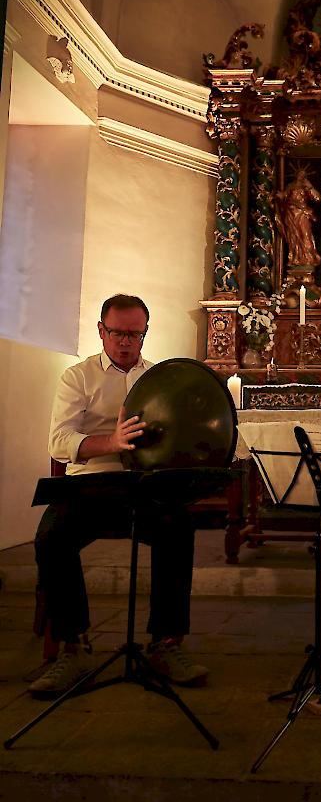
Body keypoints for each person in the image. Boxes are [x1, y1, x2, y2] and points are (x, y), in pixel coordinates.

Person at [29, 294, 208, 697]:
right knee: (52, 537)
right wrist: (112, 441)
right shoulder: (78, 377)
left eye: (134, 333)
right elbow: (59, 442)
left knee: (178, 526)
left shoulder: (161, 377)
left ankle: (165, 644)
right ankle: (73, 646)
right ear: (101, 331)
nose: (125, 341)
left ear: (145, 334)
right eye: (117, 333)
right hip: (89, 485)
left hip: (144, 488)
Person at [275, 169, 321, 267]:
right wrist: (280, 195)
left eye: (303, 175)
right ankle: (296, 257)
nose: (300, 176)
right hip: (291, 213)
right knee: (293, 236)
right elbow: (284, 195)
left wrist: (310, 187)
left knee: (305, 234)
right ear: (296, 175)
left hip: (302, 213)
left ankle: (308, 257)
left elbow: (317, 198)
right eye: (299, 174)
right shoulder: (290, 186)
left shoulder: (306, 186)